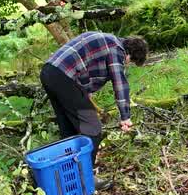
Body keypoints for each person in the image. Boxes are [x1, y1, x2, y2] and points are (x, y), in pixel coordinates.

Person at [40, 31, 148, 170]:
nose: (127, 64)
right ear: (129, 54)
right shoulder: (117, 49)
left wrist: (84, 91)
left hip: (49, 72)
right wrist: (125, 117)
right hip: (64, 76)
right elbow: (119, 83)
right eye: (130, 62)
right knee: (93, 129)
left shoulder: (107, 40)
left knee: (68, 130)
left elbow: (85, 63)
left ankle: (67, 175)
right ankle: (86, 177)